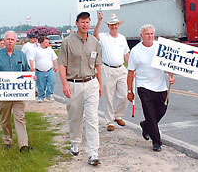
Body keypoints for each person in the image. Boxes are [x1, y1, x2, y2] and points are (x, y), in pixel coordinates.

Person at [58, 12, 102, 166]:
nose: (85, 24)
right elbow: (62, 64)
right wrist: (64, 84)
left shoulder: (94, 42)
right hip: (73, 84)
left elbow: (98, 65)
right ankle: (75, 142)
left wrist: (100, 84)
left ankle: (93, 153)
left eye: (88, 22)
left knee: (92, 119)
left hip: (91, 82)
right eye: (83, 22)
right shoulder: (67, 42)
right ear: (77, 23)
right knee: (75, 117)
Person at [127, 24, 175, 152]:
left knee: (161, 110)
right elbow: (130, 72)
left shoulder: (159, 48)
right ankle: (157, 142)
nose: (150, 36)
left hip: (160, 86)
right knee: (150, 114)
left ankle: (146, 125)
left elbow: (169, 64)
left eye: (152, 34)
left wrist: (171, 76)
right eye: (147, 34)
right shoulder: (136, 51)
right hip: (144, 86)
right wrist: (129, 91)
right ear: (141, 36)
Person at [0, 31, 32, 153]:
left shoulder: (21, 55)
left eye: (12, 39)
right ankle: (7, 140)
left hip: (18, 94)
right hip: (3, 94)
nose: (10, 41)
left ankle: (23, 145)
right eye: (8, 39)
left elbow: (27, 71)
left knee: (20, 118)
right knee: (5, 119)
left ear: (16, 41)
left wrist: (31, 78)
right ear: (4, 40)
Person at [94, 12, 130, 131]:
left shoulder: (122, 38)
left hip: (121, 69)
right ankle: (109, 121)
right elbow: (94, 36)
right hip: (107, 69)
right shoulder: (103, 36)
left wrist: (131, 67)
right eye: (111, 25)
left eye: (115, 25)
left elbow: (126, 54)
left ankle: (118, 115)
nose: (114, 27)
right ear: (108, 26)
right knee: (108, 97)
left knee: (125, 95)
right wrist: (99, 20)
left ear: (118, 25)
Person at [31, 36, 58, 103]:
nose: (47, 43)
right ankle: (41, 97)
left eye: (47, 42)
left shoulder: (50, 50)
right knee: (40, 84)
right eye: (46, 42)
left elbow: (54, 59)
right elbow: (31, 59)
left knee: (51, 82)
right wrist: (32, 67)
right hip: (39, 71)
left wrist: (55, 66)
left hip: (49, 70)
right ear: (41, 42)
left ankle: (49, 95)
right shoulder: (36, 50)